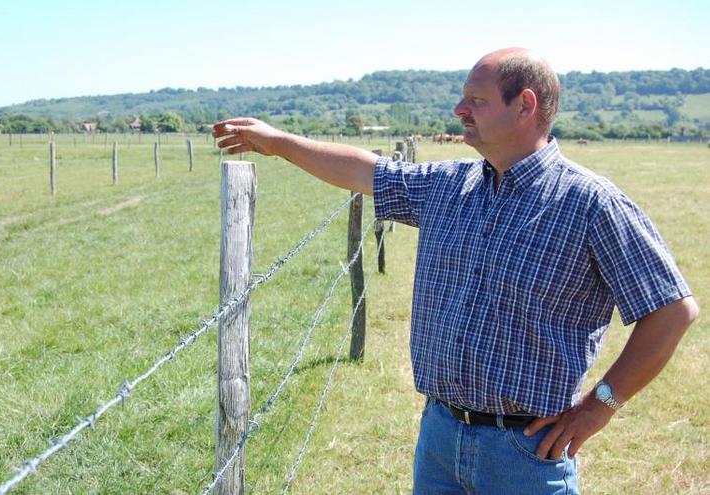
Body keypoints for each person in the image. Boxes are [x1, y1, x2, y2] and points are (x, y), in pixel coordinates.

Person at [213, 47, 699, 494]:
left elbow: (672, 311)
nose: (459, 111)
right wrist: (277, 144)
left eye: (476, 100)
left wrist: (599, 407)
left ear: (525, 105)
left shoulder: (591, 204)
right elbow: (365, 170)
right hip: (440, 438)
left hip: (526, 455)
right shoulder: (449, 186)